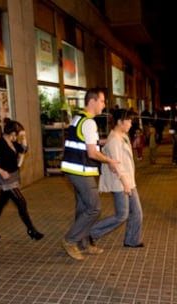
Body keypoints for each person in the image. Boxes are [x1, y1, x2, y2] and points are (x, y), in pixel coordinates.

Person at [60, 88, 119, 261]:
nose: (104, 104)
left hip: (74, 170)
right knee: (94, 208)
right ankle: (70, 240)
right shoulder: (89, 122)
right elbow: (92, 153)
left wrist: (104, 141)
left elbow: (86, 142)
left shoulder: (79, 118)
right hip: (81, 171)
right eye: (102, 101)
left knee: (83, 208)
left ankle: (83, 243)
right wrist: (110, 161)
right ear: (92, 101)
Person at [89, 109, 144, 248]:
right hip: (120, 182)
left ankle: (132, 240)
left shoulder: (123, 136)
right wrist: (126, 184)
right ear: (120, 122)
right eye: (129, 121)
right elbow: (116, 166)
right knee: (122, 215)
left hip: (129, 181)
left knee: (136, 212)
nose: (131, 123)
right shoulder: (114, 140)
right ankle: (90, 232)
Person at [0, 119, 44, 240]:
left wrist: (24, 137)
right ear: (12, 133)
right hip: (4, 178)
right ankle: (31, 230)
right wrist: (2, 171)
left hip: (13, 176)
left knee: (1, 203)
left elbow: (24, 150)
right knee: (21, 201)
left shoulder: (14, 143)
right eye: (17, 134)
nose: (17, 137)